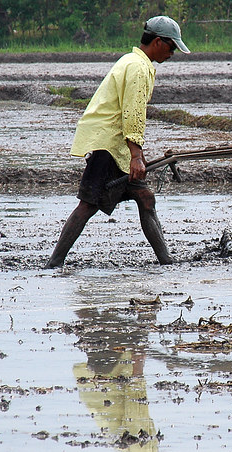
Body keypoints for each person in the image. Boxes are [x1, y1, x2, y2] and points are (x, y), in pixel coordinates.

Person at [48, 15, 190, 268]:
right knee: (87, 205)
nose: (172, 54)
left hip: (117, 145)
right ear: (158, 42)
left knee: (145, 197)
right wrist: (135, 156)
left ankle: (166, 262)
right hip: (108, 145)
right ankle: (53, 263)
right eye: (171, 47)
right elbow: (132, 112)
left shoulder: (134, 61)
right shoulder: (137, 67)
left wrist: (138, 155)